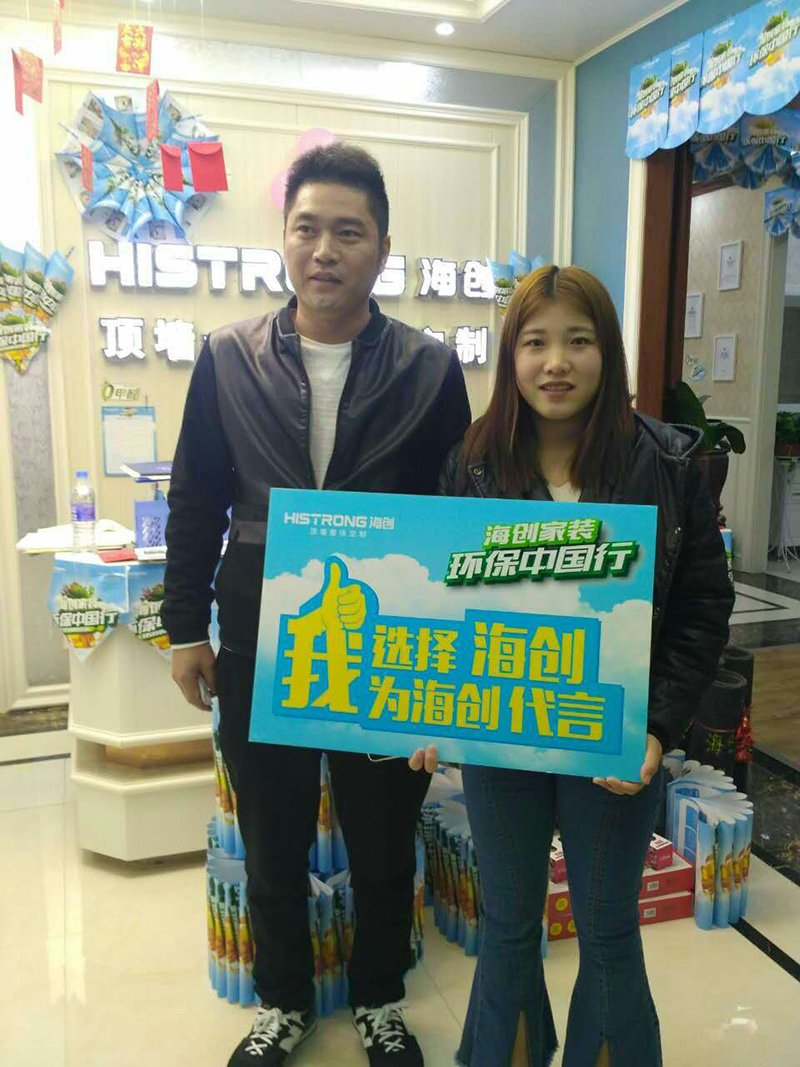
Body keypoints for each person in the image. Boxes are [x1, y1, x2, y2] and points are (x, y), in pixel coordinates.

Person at [163, 142, 471, 1067]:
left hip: (389, 643)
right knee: (273, 839)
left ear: (383, 248)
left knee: (383, 838)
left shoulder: (429, 368)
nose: (325, 250)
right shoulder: (228, 358)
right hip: (264, 639)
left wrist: (455, 659)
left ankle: (379, 997)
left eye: (348, 231)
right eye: (307, 229)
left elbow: (455, 514)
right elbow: (196, 499)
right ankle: (283, 1002)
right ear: (285, 238)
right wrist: (184, 627)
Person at [409, 265, 734, 1067]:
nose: (556, 362)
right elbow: (435, 601)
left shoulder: (668, 463)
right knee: (509, 923)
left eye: (578, 341)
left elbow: (701, 608)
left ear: (607, 353)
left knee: (608, 925)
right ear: (512, 357)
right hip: (501, 740)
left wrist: (656, 727)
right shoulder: (471, 463)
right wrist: (424, 711)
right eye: (536, 342)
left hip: (613, 740)